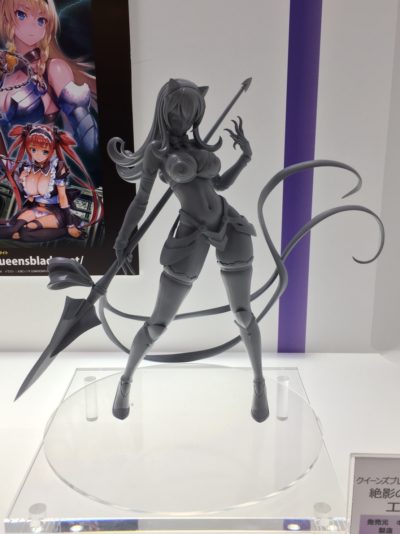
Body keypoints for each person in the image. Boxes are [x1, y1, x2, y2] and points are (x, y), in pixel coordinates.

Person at [107, 78, 269, 423]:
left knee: (243, 313)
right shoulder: (157, 153)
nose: (182, 119)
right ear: (164, 111)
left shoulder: (198, 148)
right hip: (190, 235)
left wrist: (245, 157)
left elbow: (219, 184)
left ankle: (259, 383)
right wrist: (122, 239)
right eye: (176, 112)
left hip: (229, 223)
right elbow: (140, 202)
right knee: (158, 324)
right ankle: (125, 381)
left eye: (190, 113)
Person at [0, 0, 97, 153]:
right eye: (21, 14)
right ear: (6, 17)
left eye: (41, 20)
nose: (33, 27)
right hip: (9, 166)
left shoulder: (54, 69)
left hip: (43, 163)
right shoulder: (5, 73)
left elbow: (89, 137)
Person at [0, 123, 100, 241]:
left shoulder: (57, 168)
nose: (38, 155)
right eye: (33, 149)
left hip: (54, 212)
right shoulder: (26, 167)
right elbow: (7, 166)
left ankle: (65, 231)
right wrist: (22, 180)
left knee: (27, 231)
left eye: (44, 151)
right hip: (34, 209)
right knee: (14, 229)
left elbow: (63, 198)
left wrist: (70, 225)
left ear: (52, 150)